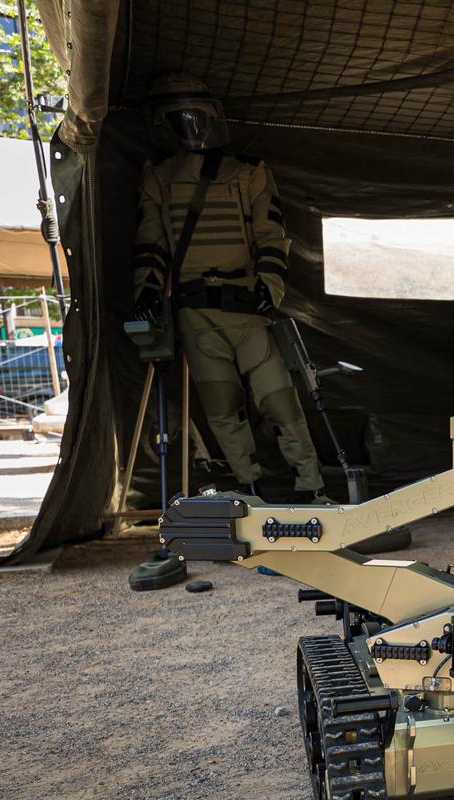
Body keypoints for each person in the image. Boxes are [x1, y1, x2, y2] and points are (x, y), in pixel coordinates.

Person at [133, 72, 327, 501]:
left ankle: (312, 489)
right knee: (222, 409)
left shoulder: (249, 174)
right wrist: (146, 289)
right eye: (177, 119)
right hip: (196, 312)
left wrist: (270, 287)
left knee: (280, 402)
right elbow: (152, 242)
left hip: (248, 309)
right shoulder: (159, 178)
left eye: (194, 117)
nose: (189, 127)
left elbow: (272, 238)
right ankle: (250, 490)